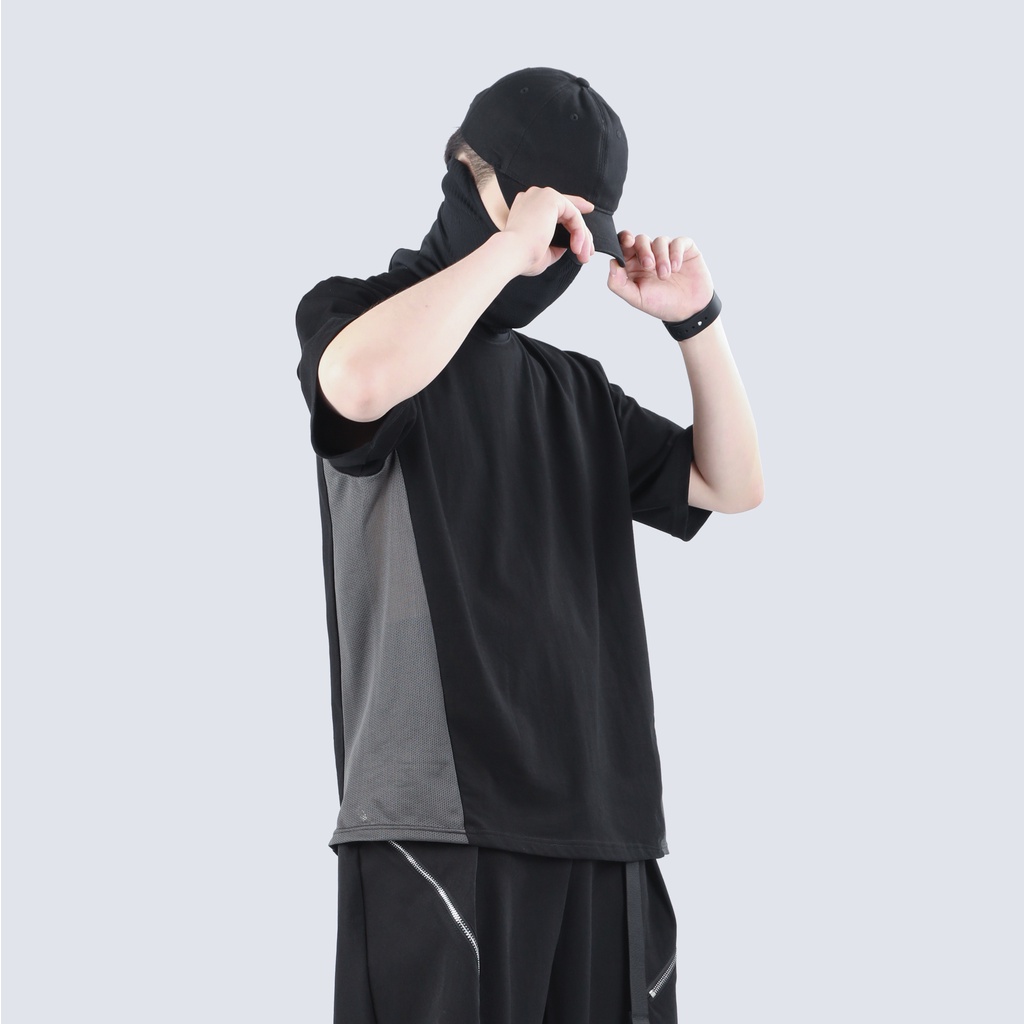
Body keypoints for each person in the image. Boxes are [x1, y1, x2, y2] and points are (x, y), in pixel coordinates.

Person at [294, 66, 762, 1024]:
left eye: (576, 237)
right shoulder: (357, 317)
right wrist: (508, 250)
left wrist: (696, 323)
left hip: (606, 824)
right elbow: (356, 389)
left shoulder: (575, 391)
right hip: (440, 825)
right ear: (472, 181)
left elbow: (732, 483)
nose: (557, 257)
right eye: (550, 223)